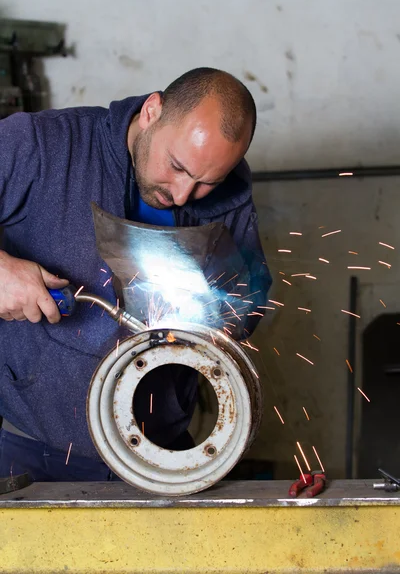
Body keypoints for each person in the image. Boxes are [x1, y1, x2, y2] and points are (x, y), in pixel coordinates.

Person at [0, 67, 271, 482]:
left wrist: (221, 311)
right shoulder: (44, 145)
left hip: (157, 456)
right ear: (152, 110)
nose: (181, 194)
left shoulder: (229, 188)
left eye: (205, 183)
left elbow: (249, 295)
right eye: (176, 166)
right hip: (30, 449)